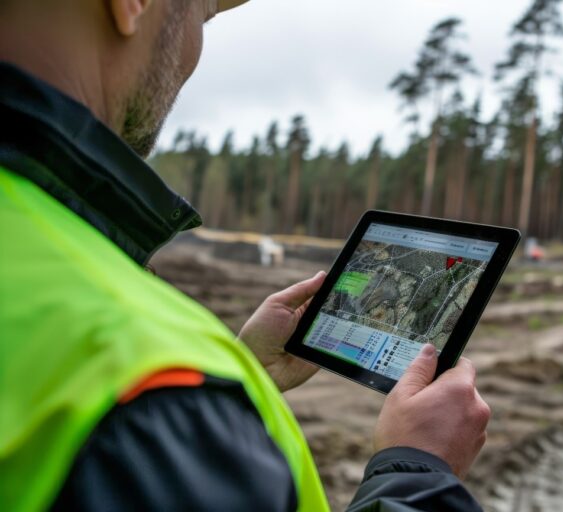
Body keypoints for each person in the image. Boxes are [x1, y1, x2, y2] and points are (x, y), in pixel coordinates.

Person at [0, 1, 491, 510]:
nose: (192, 54)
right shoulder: (155, 395)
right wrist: (416, 471)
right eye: (200, 17)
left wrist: (243, 369)